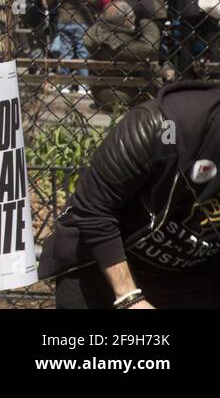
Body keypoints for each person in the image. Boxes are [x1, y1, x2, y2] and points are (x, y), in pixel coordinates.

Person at [38, 81, 220, 307]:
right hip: (102, 259)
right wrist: (129, 297)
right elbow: (94, 209)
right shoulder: (159, 126)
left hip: (188, 272)